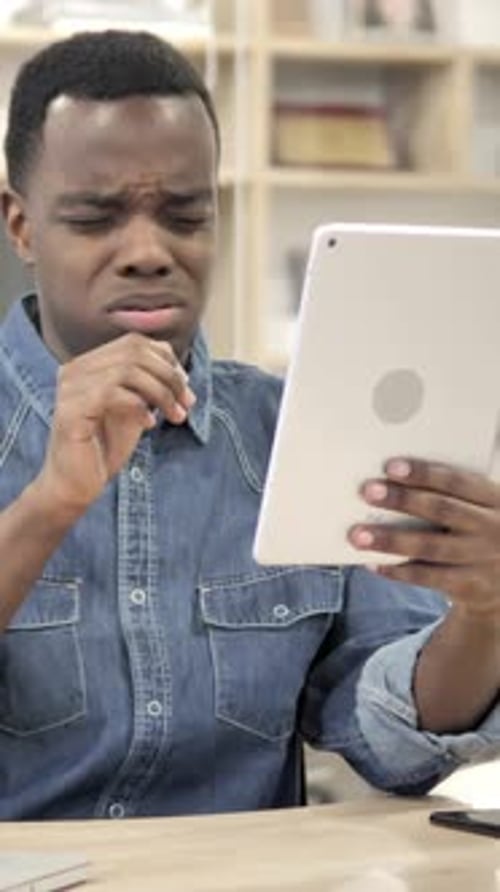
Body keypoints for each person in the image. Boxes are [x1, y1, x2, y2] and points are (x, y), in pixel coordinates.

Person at [0, 29, 498, 822]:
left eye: (185, 215)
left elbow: (392, 741)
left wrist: (485, 615)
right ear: (22, 227)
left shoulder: (295, 432)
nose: (148, 251)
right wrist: (49, 505)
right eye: (97, 218)